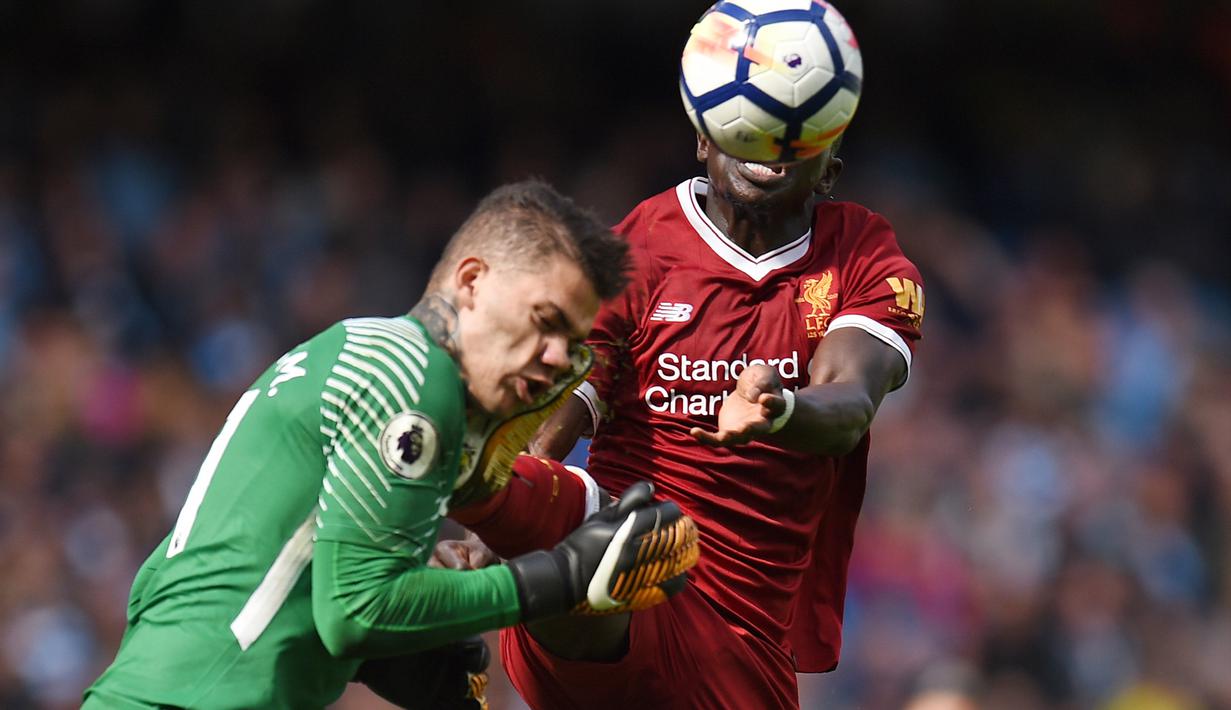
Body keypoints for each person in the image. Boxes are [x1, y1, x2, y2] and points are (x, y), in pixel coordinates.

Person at [82, 180, 699, 709]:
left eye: (571, 338)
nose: (559, 357)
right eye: (545, 321)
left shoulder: (351, 351)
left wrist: (391, 654)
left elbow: (168, 582)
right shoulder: (415, 376)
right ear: (472, 282)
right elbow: (356, 611)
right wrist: (559, 576)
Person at [461, 134, 924, 709]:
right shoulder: (638, 248)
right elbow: (554, 417)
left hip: (739, 638)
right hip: (624, 578)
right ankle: (520, 541)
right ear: (704, 142)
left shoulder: (861, 254)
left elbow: (849, 403)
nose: (770, 145)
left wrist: (781, 410)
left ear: (829, 173)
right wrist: (491, 524)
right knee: (596, 523)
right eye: (748, 127)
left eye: (798, 138)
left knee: (591, 532)